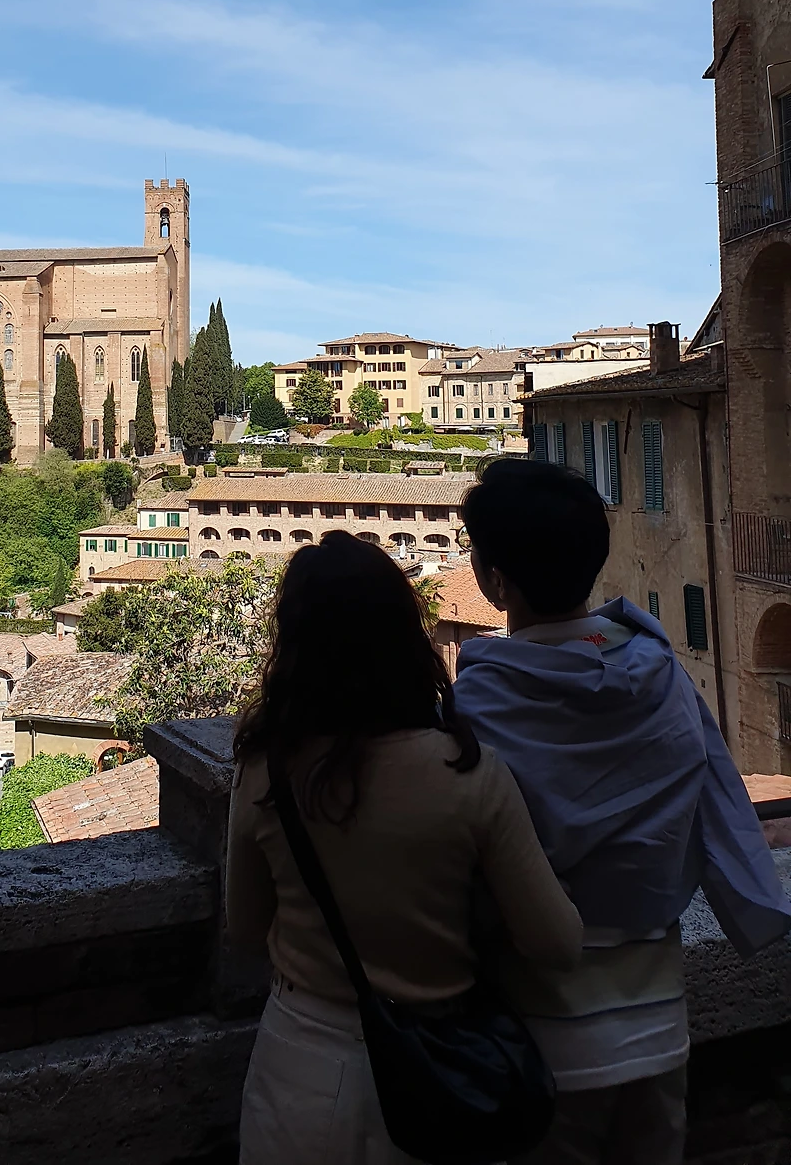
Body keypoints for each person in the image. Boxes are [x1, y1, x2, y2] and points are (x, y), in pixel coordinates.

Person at [456, 458, 791, 1165]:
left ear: (495, 583)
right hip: (660, 1033)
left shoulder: (476, 713)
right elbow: (720, 806)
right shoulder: (664, 677)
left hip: (538, 1047)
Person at [227, 532, 583, 1165]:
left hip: (303, 1062)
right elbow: (557, 942)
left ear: (295, 647)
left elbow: (248, 926)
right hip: (445, 1072)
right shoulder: (471, 775)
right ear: (404, 638)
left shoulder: (265, 770)